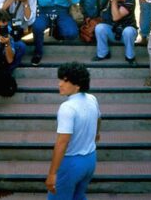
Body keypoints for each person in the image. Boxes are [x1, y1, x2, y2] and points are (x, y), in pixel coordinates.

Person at [46, 62, 100, 200]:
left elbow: (62, 142)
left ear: (77, 85)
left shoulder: (67, 107)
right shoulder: (92, 98)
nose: (60, 84)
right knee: (78, 197)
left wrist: (52, 174)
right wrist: (96, 135)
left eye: (65, 81)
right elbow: (99, 119)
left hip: (71, 164)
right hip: (90, 160)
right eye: (60, 80)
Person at [31, 0, 80, 66]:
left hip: (62, 10)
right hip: (45, 10)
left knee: (72, 33)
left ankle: (57, 30)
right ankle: (38, 52)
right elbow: (42, 2)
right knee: (37, 27)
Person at [91, 0, 137, 65]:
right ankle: (103, 54)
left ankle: (130, 57)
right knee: (99, 27)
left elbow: (116, 17)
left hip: (126, 33)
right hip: (113, 31)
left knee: (128, 31)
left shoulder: (130, 0)